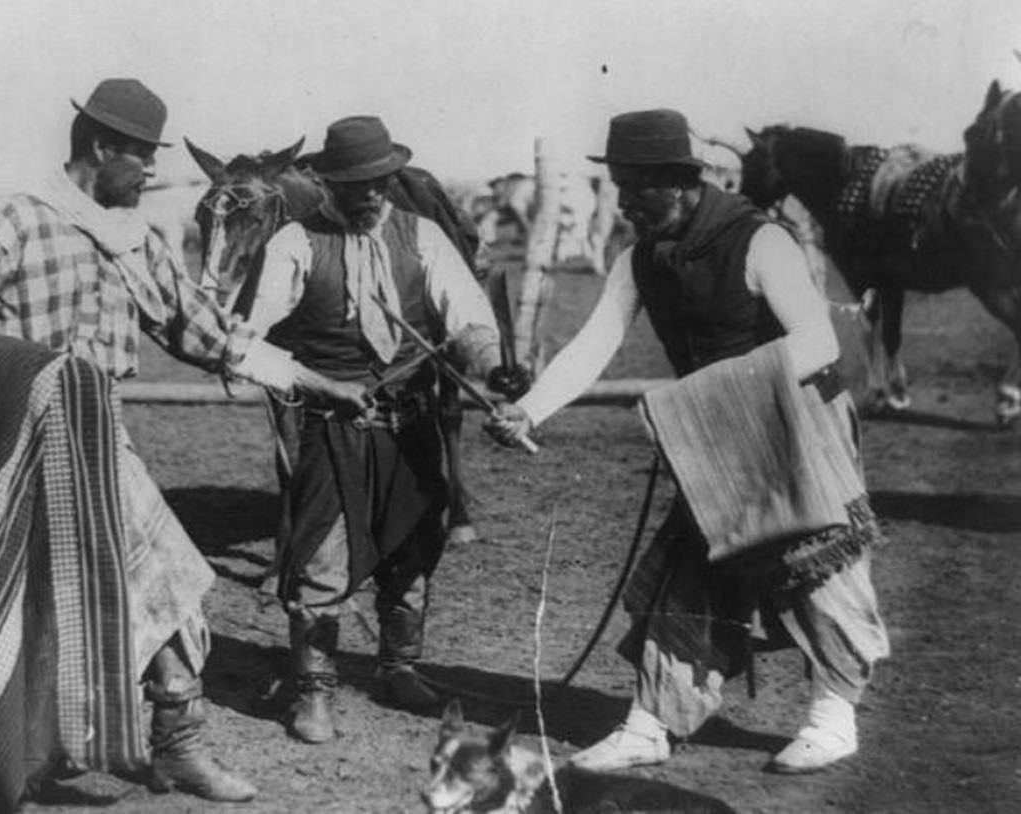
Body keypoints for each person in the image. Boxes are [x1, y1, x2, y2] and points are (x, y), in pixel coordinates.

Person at [0, 78, 368, 810]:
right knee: (32, 605)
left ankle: (178, 745)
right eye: (140, 158)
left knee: (167, 578)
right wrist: (26, 367)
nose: (148, 173)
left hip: (103, 438)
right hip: (23, 438)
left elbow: (201, 331)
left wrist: (306, 377)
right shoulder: (20, 218)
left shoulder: (133, 236)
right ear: (102, 148)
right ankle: (29, 753)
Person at [487, 108, 889, 775]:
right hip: (715, 438)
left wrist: (703, 397)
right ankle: (649, 723)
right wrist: (530, 410)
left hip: (797, 426)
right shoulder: (638, 259)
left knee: (821, 569)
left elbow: (818, 342)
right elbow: (595, 343)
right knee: (687, 574)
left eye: (637, 188)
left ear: (679, 181)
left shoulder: (761, 242)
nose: (626, 204)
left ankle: (833, 715)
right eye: (618, 187)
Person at [239, 115, 528, 743]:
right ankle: (314, 692)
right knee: (322, 557)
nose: (371, 195)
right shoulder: (294, 243)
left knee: (413, 551)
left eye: (381, 181)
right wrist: (319, 385)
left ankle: (399, 666)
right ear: (327, 184)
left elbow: (470, 322)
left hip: (410, 423)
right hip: (331, 428)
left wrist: (494, 366)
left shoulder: (421, 236)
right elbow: (244, 346)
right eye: (355, 185)